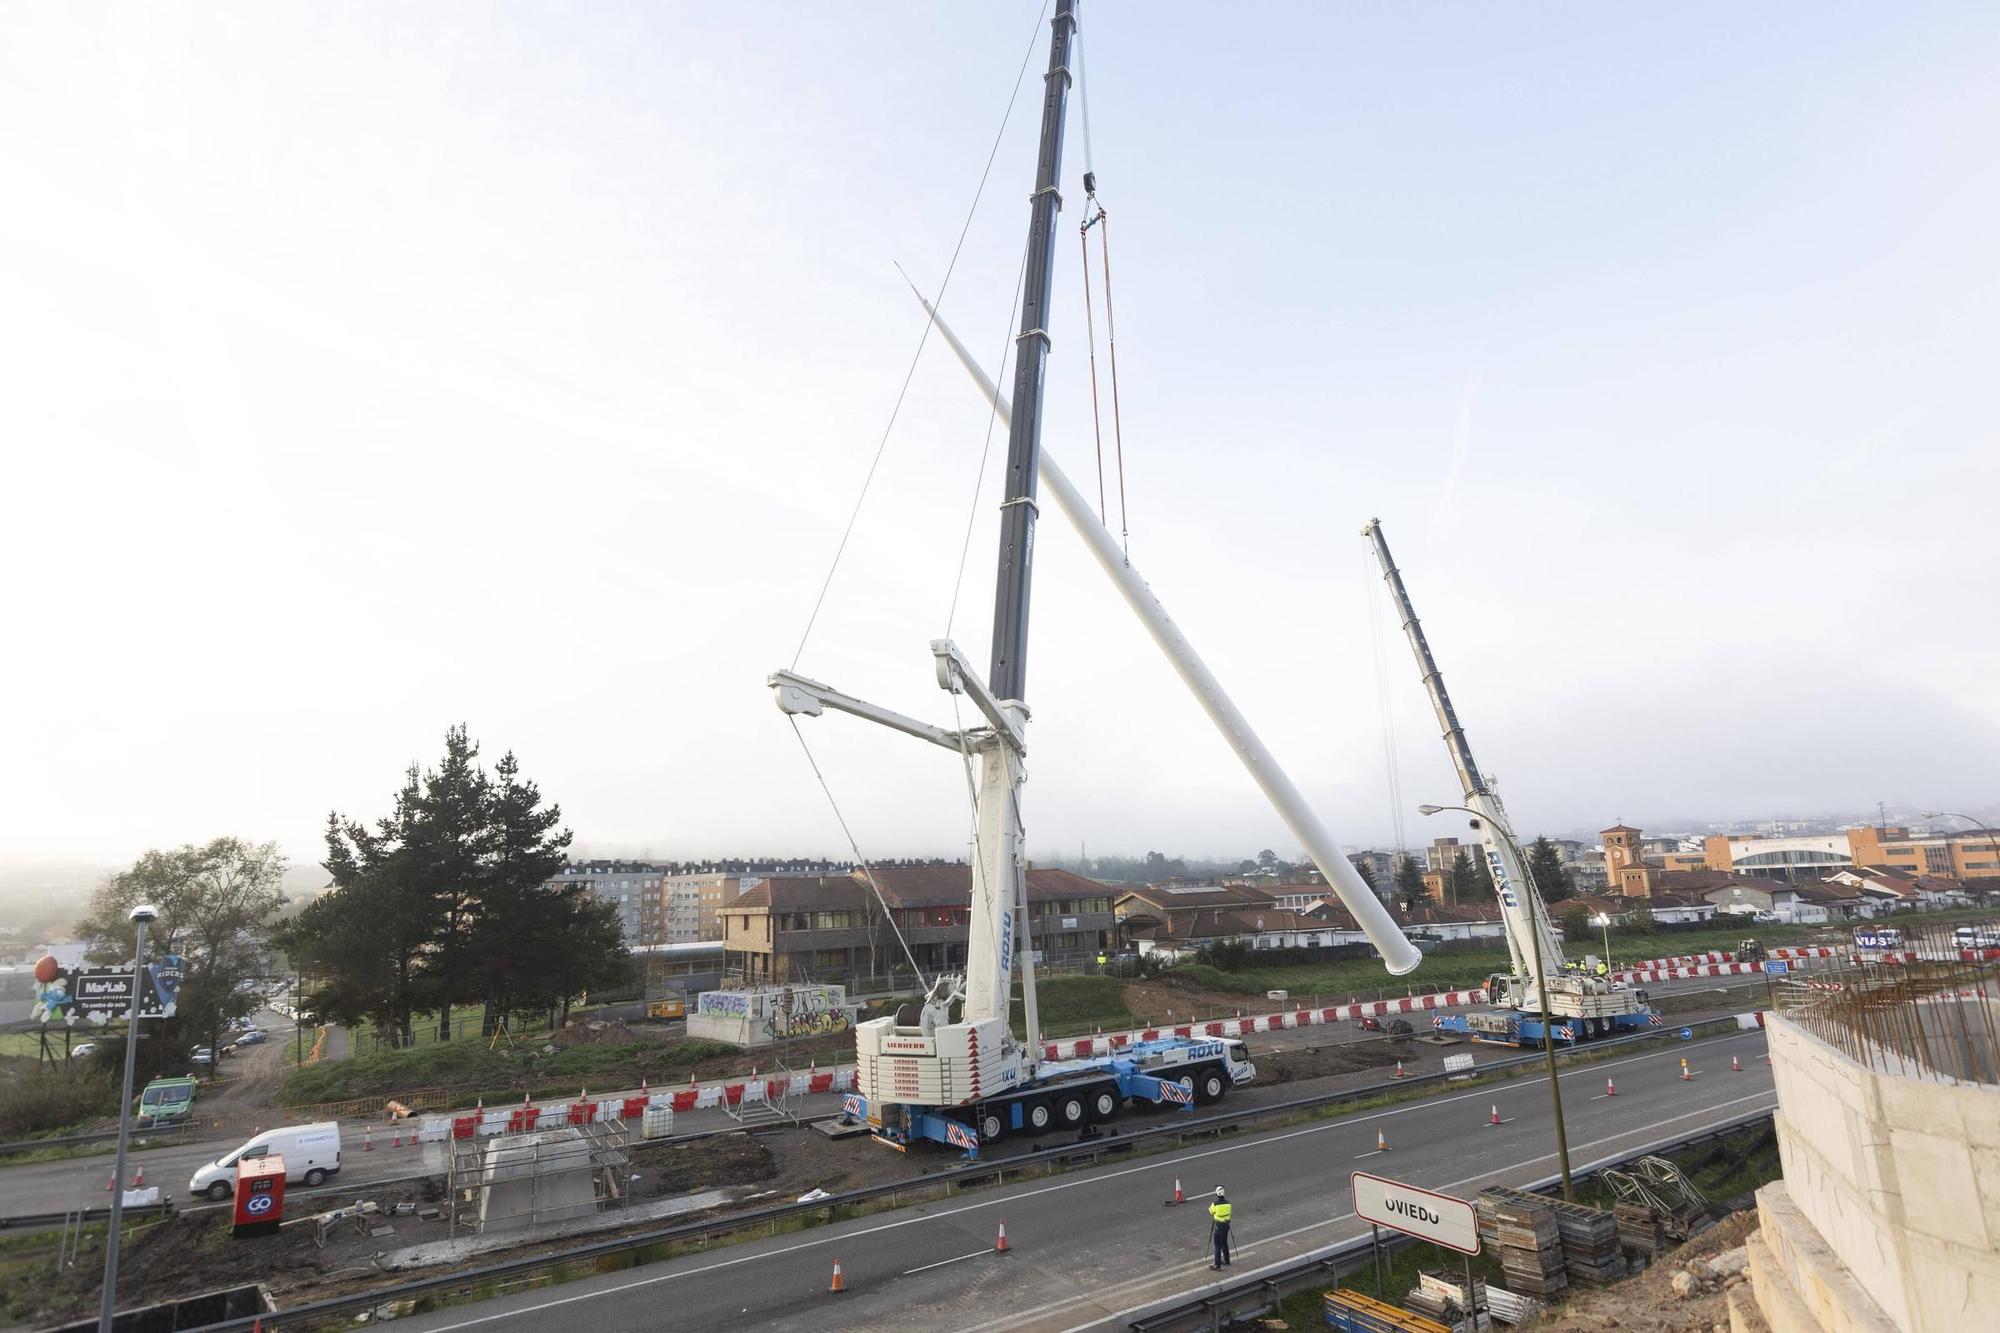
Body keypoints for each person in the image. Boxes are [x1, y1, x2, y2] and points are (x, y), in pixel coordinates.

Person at [1208, 1187, 1233, 1269]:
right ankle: (1227, 1260)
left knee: (1217, 1245)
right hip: (1226, 1226)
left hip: (1219, 1226)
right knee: (1224, 1243)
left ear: (1217, 1194)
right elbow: (1229, 1213)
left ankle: (1217, 1265)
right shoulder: (1228, 1203)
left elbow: (1211, 1211)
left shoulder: (1215, 1204)